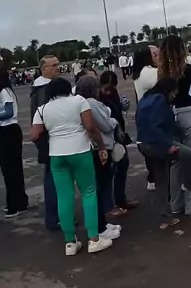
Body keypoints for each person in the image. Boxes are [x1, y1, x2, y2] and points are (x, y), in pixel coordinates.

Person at [30, 77, 112, 255]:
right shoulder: (79, 101)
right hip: (80, 151)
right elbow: (90, 127)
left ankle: (70, 242)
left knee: (64, 196)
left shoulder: (42, 109)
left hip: (57, 155)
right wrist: (101, 146)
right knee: (88, 192)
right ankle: (94, 239)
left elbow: (34, 134)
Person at [136, 77, 191, 229]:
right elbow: (155, 125)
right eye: (174, 92)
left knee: (161, 179)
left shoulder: (146, 98)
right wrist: (167, 145)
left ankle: (166, 217)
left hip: (143, 143)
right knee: (186, 154)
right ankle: (190, 184)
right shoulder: (159, 101)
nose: (174, 96)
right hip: (156, 142)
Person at [158, 35, 191, 217]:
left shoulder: (162, 73)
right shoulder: (185, 69)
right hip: (189, 112)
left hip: (172, 114)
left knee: (176, 161)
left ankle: (176, 203)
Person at [75, 75, 122, 237]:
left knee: (97, 187)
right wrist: (114, 121)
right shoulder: (91, 103)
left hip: (88, 147)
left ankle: (102, 223)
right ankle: (100, 228)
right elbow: (106, 125)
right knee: (100, 188)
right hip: (100, 146)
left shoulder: (78, 102)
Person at [99, 70, 138, 211]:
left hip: (117, 133)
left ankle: (118, 200)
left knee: (120, 166)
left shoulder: (109, 94)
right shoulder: (99, 98)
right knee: (114, 168)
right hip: (109, 136)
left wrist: (122, 106)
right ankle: (114, 202)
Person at [30, 55, 61, 231]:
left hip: (48, 138)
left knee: (54, 178)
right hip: (50, 139)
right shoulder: (43, 89)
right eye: (54, 65)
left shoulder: (41, 87)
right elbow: (47, 116)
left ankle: (56, 216)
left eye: (58, 64)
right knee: (54, 179)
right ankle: (54, 217)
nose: (58, 67)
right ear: (44, 69)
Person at [0, 66, 28, 218]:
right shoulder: (5, 91)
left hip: (8, 130)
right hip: (8, 131)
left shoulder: (4, 91)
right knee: (13, 169)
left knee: (10, 170)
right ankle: (20, 202)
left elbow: (8, 112)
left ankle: (15, 205)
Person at [133, 46, 159, 191]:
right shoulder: (148, 72)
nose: (158, 56)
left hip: (145, 112)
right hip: (152, 113)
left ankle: (152, 177)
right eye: (155, 54)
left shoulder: (140, 72)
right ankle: (155, 178)